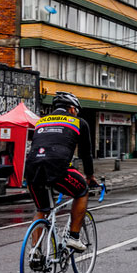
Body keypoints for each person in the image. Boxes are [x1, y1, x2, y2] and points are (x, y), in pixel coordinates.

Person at [26, 91, 96, 252]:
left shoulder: (41, 122)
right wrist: (90, 176)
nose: (76, 113)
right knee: (82, 191)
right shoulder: (78, 122)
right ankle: (74, 237)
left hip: (32, 170)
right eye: (76, 110)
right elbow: (86, 154)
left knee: (42, 209)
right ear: (72, 109)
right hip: (57, 167)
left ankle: (35, 251)